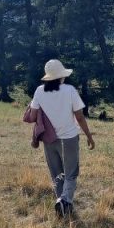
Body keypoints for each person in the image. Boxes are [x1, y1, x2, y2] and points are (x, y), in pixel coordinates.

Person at [29, 59, 95, 217]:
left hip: (49, 139)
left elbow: (32, 116)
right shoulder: (70, 90)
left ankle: (61, 204)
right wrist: (89, 136)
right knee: (71, 174)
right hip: (69, 138)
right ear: (61, 76)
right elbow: (79, 117)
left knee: (57, 174)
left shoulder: (39, 91)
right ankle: (65, 201)